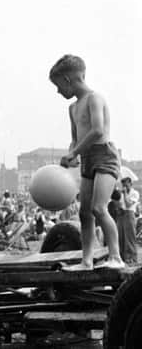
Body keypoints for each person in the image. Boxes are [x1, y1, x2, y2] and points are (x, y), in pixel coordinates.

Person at [50, 54, 124, 270]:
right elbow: (75, 139)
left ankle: (116, 257)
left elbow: (98, 130)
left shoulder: (95, 98)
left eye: (58, 86)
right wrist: (71, 154)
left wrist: (75, 153)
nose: (58, 91)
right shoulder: (72, 108)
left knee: (100, 208)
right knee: (84, 213)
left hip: (104, 155)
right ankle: (86, 261)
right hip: (87, 158)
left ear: (67, 80)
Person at [119, 177, 139, 264]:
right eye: (123, 184)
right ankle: (123, 257)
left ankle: (132, 258)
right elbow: (120, 205)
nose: (124, 186)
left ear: (130, 183)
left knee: (130, 237)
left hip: (129, 213)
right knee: (121, 236)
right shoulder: (122, 193)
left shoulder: (134, 193)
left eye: (126, 184)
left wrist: (125, 194)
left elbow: (128, 204)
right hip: (121, 215)